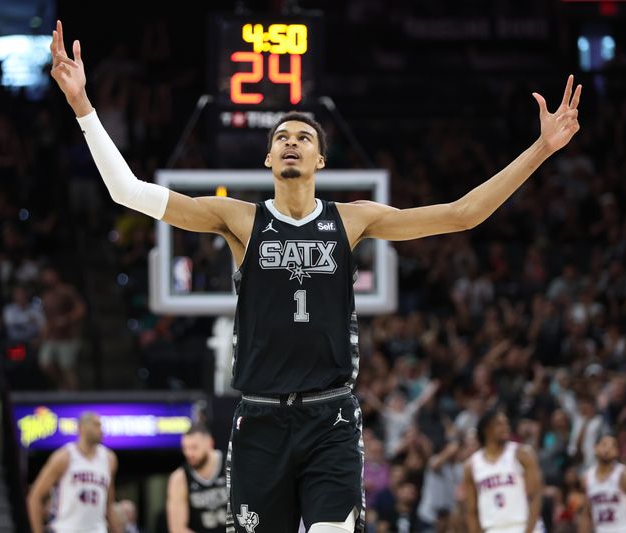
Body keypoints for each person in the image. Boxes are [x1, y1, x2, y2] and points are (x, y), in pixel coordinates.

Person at [49, 19, 581, 533]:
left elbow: (462, 213)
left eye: (303, 137)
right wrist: (82, 106)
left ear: (320, 158)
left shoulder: (352, 219)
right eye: (281, 136)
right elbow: (128, 192)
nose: (290, 142)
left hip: (330, 419)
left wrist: (542, 149)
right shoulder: (240, 219)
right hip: (259, 418)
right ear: (267, 156)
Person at [26, 412, 121, 533]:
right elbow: (34, 497)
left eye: (101, 426)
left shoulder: (109, 459)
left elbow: (109, 504)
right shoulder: (64, 457)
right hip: (66, 529)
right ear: (81, 428)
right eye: (96, 425)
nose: (101, 430)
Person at [463, 409, 544, 533]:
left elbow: (535, 496)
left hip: (523, 525)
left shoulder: (522, 454)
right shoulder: (471, 466)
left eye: (506, 423)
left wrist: (529, 530)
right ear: (486, 429)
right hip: (493, 528)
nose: (506, 427)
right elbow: (472, 511)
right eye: (499, 424)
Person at [578, 434, 626, 533]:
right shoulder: (586, 478)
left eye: (613, 446)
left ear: (617, 452)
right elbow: (587, 513)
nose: (608, 448)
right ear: (595, 448)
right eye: (604, 444)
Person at [166, 424, 227, 533]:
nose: (189, 453)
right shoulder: (179, 479)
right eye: (185, 448)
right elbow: (177, 529)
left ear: (210, 443)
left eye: (194, 447)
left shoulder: (231, 465)